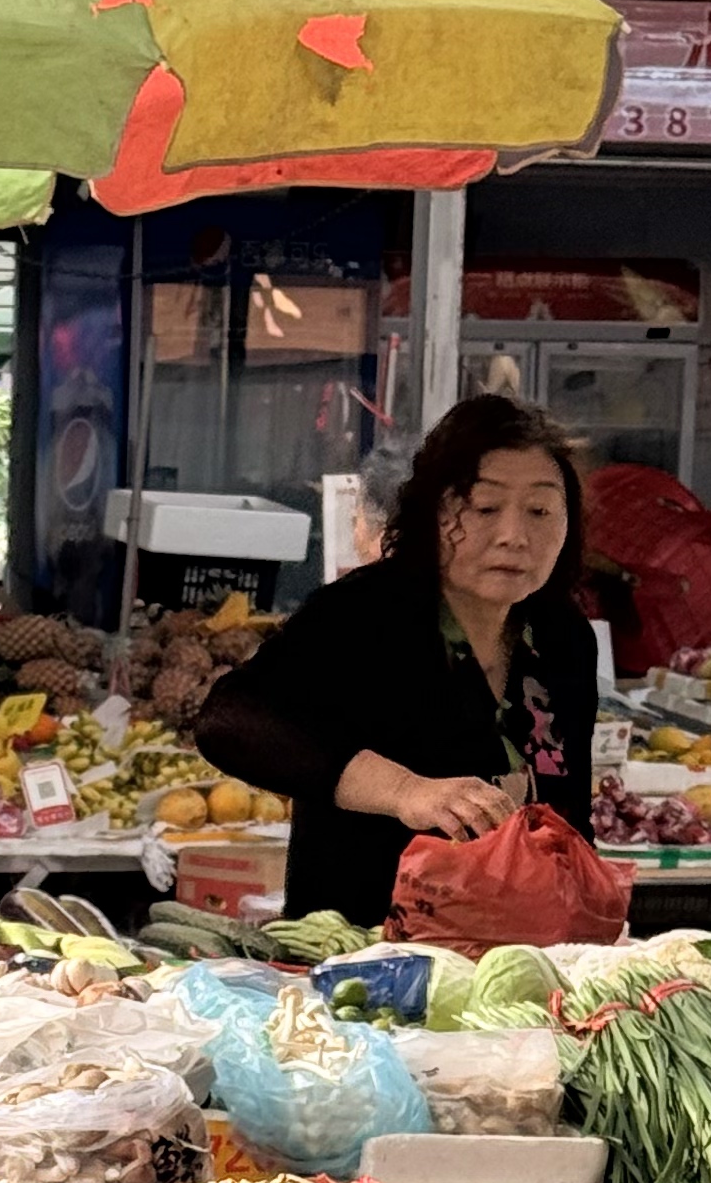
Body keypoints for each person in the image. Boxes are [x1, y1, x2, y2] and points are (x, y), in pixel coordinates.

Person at [195, 392, 597, 927]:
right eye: (484, 508)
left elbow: (570, 813)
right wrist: (406, 791)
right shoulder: (364, 613)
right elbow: (231, 720)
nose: (513, 536)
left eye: (540, 510)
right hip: (363, 955)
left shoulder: (562, 636)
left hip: (516, 955)